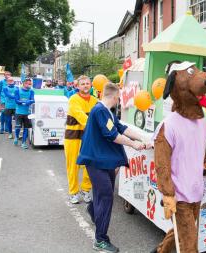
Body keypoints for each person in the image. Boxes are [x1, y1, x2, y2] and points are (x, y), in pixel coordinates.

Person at [77, 83, 147, 253]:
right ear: (115, 97)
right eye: (119, 97)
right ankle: (100, 240)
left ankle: (92, 209)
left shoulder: (107, 111)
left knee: (103, 194)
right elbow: (112, 135)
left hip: (104, 160)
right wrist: (134, 145)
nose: (120, 100)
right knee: (106, 195)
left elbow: (122, 128)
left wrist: (145, 138)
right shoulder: (100, 110)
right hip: (96, 160)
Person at [64, 75, 98, 204]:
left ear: (91, 85)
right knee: (73, 166)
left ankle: (86, 189)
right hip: (73, 137)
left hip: (88, 137)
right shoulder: (73, 99)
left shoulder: (95, 101)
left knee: (89, 164)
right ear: (77, 86)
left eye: (87, 83)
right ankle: (73, 192)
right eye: (82, 84)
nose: (85, 85)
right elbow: (81, 116)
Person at [14, 78, 35, 149]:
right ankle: (16, 137)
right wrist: (24, 102)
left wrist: (29, 101)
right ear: (23, 83)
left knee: (26, 128)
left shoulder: (31, 91)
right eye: (27, 83)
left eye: (30, 84)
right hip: (19, 112)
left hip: (27, 113)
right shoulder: (17, 90)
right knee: (18, 127)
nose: (29, 85)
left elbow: (32, 100)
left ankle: (23, 143)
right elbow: (16, 100)